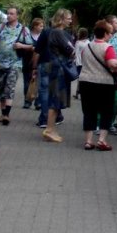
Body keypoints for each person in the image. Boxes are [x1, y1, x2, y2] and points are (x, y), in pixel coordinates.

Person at [78, 20, 117, 151]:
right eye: (110, 33)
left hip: (85, 81)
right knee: (106, 111)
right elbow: (112, 63)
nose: (111, 35)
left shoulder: (87, 46)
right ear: (105, 33)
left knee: (88, 111)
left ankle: (88, 141)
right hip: (104, 83)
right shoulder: (108, 48)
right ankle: (101, 140)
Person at [0, 7, 33, 126]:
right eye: (8, 13)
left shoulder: (23, 29)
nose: (8, 15)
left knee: (10, 88)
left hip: (14, 63)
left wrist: (21, 46)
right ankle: (2, 112)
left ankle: (6, 115)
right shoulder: (0, 27)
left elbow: (31, 46)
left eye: (11, 13)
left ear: (17, 15)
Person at [41, 9, 75, 143]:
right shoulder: (58, 32)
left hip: (58, 68)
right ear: (61, 19)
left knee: (57, 100)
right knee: (55, 99)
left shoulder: (58, 32)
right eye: (68, 18)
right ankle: (49, 129)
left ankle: (51, 129)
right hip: (58, 68)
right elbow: (70, 49)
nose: (70, 21)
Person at [104, 14, 117, 135]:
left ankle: (110, 123)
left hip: (116, 72)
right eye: (116, 22)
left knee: (116, 100)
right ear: (110, 24)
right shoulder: (104, 37)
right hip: (105, 72)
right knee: (103, 99)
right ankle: (100, 124)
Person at [24, 17, 44, 109]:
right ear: (35, 26)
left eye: (42, 26)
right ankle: (27, 101)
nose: (42, 28)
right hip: (27, 61)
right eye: (40, 26)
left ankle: (38, 102)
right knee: (27, 81)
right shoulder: (28, 35)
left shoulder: (43, 36)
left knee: (39, 82)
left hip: (39, 61)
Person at [72, 27, 89, 99]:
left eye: (79, 32)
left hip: (79, 63)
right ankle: (79, 92)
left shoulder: (78, 43)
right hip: (86, 62)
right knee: (84, 78)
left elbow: (75, 53)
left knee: (80, 78)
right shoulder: (88, 42)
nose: (77, 33)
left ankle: (78, 92)